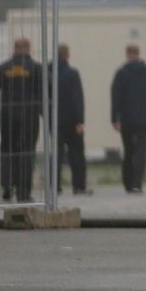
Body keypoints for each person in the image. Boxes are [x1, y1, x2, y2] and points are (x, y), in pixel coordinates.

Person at [0, 36, 44, 202]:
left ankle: (7, 186)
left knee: (8, 150)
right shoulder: (37, 69)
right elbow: (45, 94)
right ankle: (23, 192)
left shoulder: (3, 68)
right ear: (29, 49)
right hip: (29, 115)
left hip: (7, 116)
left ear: (14, 49)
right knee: (26, 152)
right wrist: (46, 115)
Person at [110, 44, 146, 195]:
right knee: (140, 150)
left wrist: (114, 118)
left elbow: (115, 96)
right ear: (138, 54)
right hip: (143, 118)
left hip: (126, 118)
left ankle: (127, 182)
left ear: (127, 54)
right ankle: (137, 183)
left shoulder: (121, 73)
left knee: (128, 150)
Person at [56, 43, 89, 196]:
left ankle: (54, 186)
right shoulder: (72, 74)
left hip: (54, 121)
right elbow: (77, 98)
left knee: (56, 154)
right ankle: (78, 186)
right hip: (71, 121)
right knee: (76, 154)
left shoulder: (48, 73)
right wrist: (80, 121)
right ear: (68, 55)